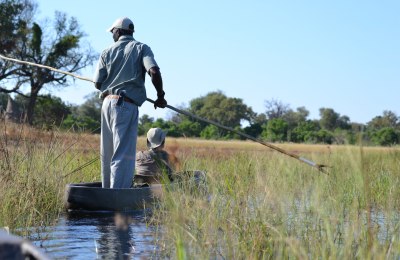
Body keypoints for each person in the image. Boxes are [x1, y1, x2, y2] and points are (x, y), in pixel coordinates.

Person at [93, 17, 167, 188]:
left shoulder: (106, 51)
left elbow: (97, 83)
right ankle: (118, 197)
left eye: (113, 32)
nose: (112, 34)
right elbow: (154, 71)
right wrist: (160, 96)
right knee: (123, 155)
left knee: (108, 153)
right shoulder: (142, 48)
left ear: (118, 31)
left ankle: (107, 194)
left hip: (106, 104)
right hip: (125, 105)